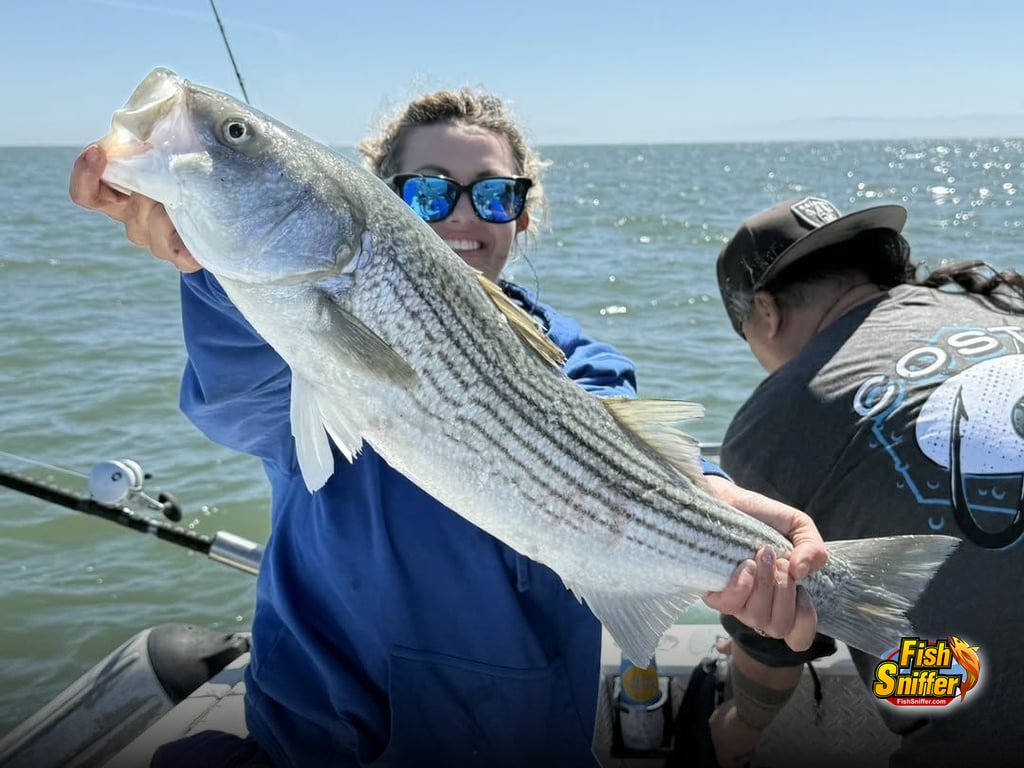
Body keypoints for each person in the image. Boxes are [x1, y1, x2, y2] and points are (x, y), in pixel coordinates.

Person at [69, 89, 827, 768]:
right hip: (315, 742)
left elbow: (619, 443)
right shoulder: (288, 332)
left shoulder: (581, 359)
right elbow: (242, 393)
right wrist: (200, 262)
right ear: (383, 199)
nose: (464, 216)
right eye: (429, 192)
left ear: (523, 215)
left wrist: (714, 502)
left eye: (494, 195)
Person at [709, 195, 1024, 768]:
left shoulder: (777, 419)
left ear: (765, 314)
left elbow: (772, 648)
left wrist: (739, 725)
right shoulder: (1007, 312)